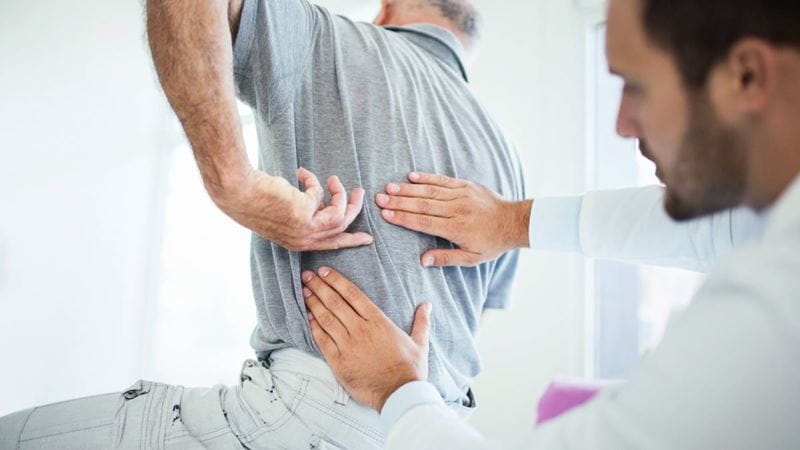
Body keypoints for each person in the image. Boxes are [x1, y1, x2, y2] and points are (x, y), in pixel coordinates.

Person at [0, 0, 527, 448]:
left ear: (387, 9)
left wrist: (233, 182)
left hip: (318, 415)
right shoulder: (508, 164)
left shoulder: (334, 39)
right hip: (430, 424)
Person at [299, 0, 800, 448]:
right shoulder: (772, 233)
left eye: (636, 85)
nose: (622, 124)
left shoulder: (776, 307)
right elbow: (718, 231)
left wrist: (398, 391)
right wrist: (512, 221)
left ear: (747, 77)